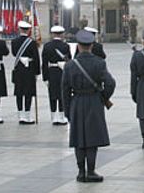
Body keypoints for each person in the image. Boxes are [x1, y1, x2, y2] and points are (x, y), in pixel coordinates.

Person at [62, 30, 116, 183]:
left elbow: (64, 90)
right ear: (91, 45)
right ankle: (91, 171)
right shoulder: (99, 63)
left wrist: (67, 111)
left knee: (78, 138)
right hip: (94, 101)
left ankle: (80, 172)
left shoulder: (70, 65)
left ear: (78, 46)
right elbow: (111, 83)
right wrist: (103, 97)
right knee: (92, 137)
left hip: (77, 102)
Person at [11, 21, 41, 124]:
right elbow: (36, 58)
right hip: (29, 69)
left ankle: (20, 115)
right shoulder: (32, 42)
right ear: (28, 30)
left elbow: (14, 53)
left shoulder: (14, 41)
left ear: (19, 29)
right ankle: (27, 115)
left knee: (19, 91)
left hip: (19, 68)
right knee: (28, 92)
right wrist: (37, 72)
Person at [42, 25, 71, 125]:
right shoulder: (65, 46)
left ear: (52, 34)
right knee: (62, 94)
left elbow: (44, 63)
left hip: (51, 72)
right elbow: (69, 61)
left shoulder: (47, 46)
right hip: (62, 72)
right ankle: (62, 117)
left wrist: (45, 77)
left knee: (52, 94)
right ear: (62, 34)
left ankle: (54, 117)